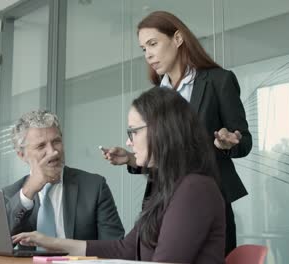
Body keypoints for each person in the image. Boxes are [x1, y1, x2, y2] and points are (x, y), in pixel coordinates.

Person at [12, 88, 226, 264]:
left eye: (134, 131)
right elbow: (125, 249)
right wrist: (50, 242)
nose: (129, 142)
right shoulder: (170, 186)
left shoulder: (193, 189)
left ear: (162, 131)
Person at [101, 10, 252, 255]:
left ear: (178, 39)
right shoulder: (157, 95)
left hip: (206, 198)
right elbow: (166, 154)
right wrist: (130, 159)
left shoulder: (218, 81)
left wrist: (228, 143)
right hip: (163, 202)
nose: (148, 54)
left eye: (153, 43)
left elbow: (244, 142)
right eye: (143, 49)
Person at [2, 110, 124, 241]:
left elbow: (115, 246)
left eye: (56, 142)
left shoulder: (94, 187)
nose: (53, 151)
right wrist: (29, 191)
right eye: (41, 146)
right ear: (22, 155)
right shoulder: (10, 195)